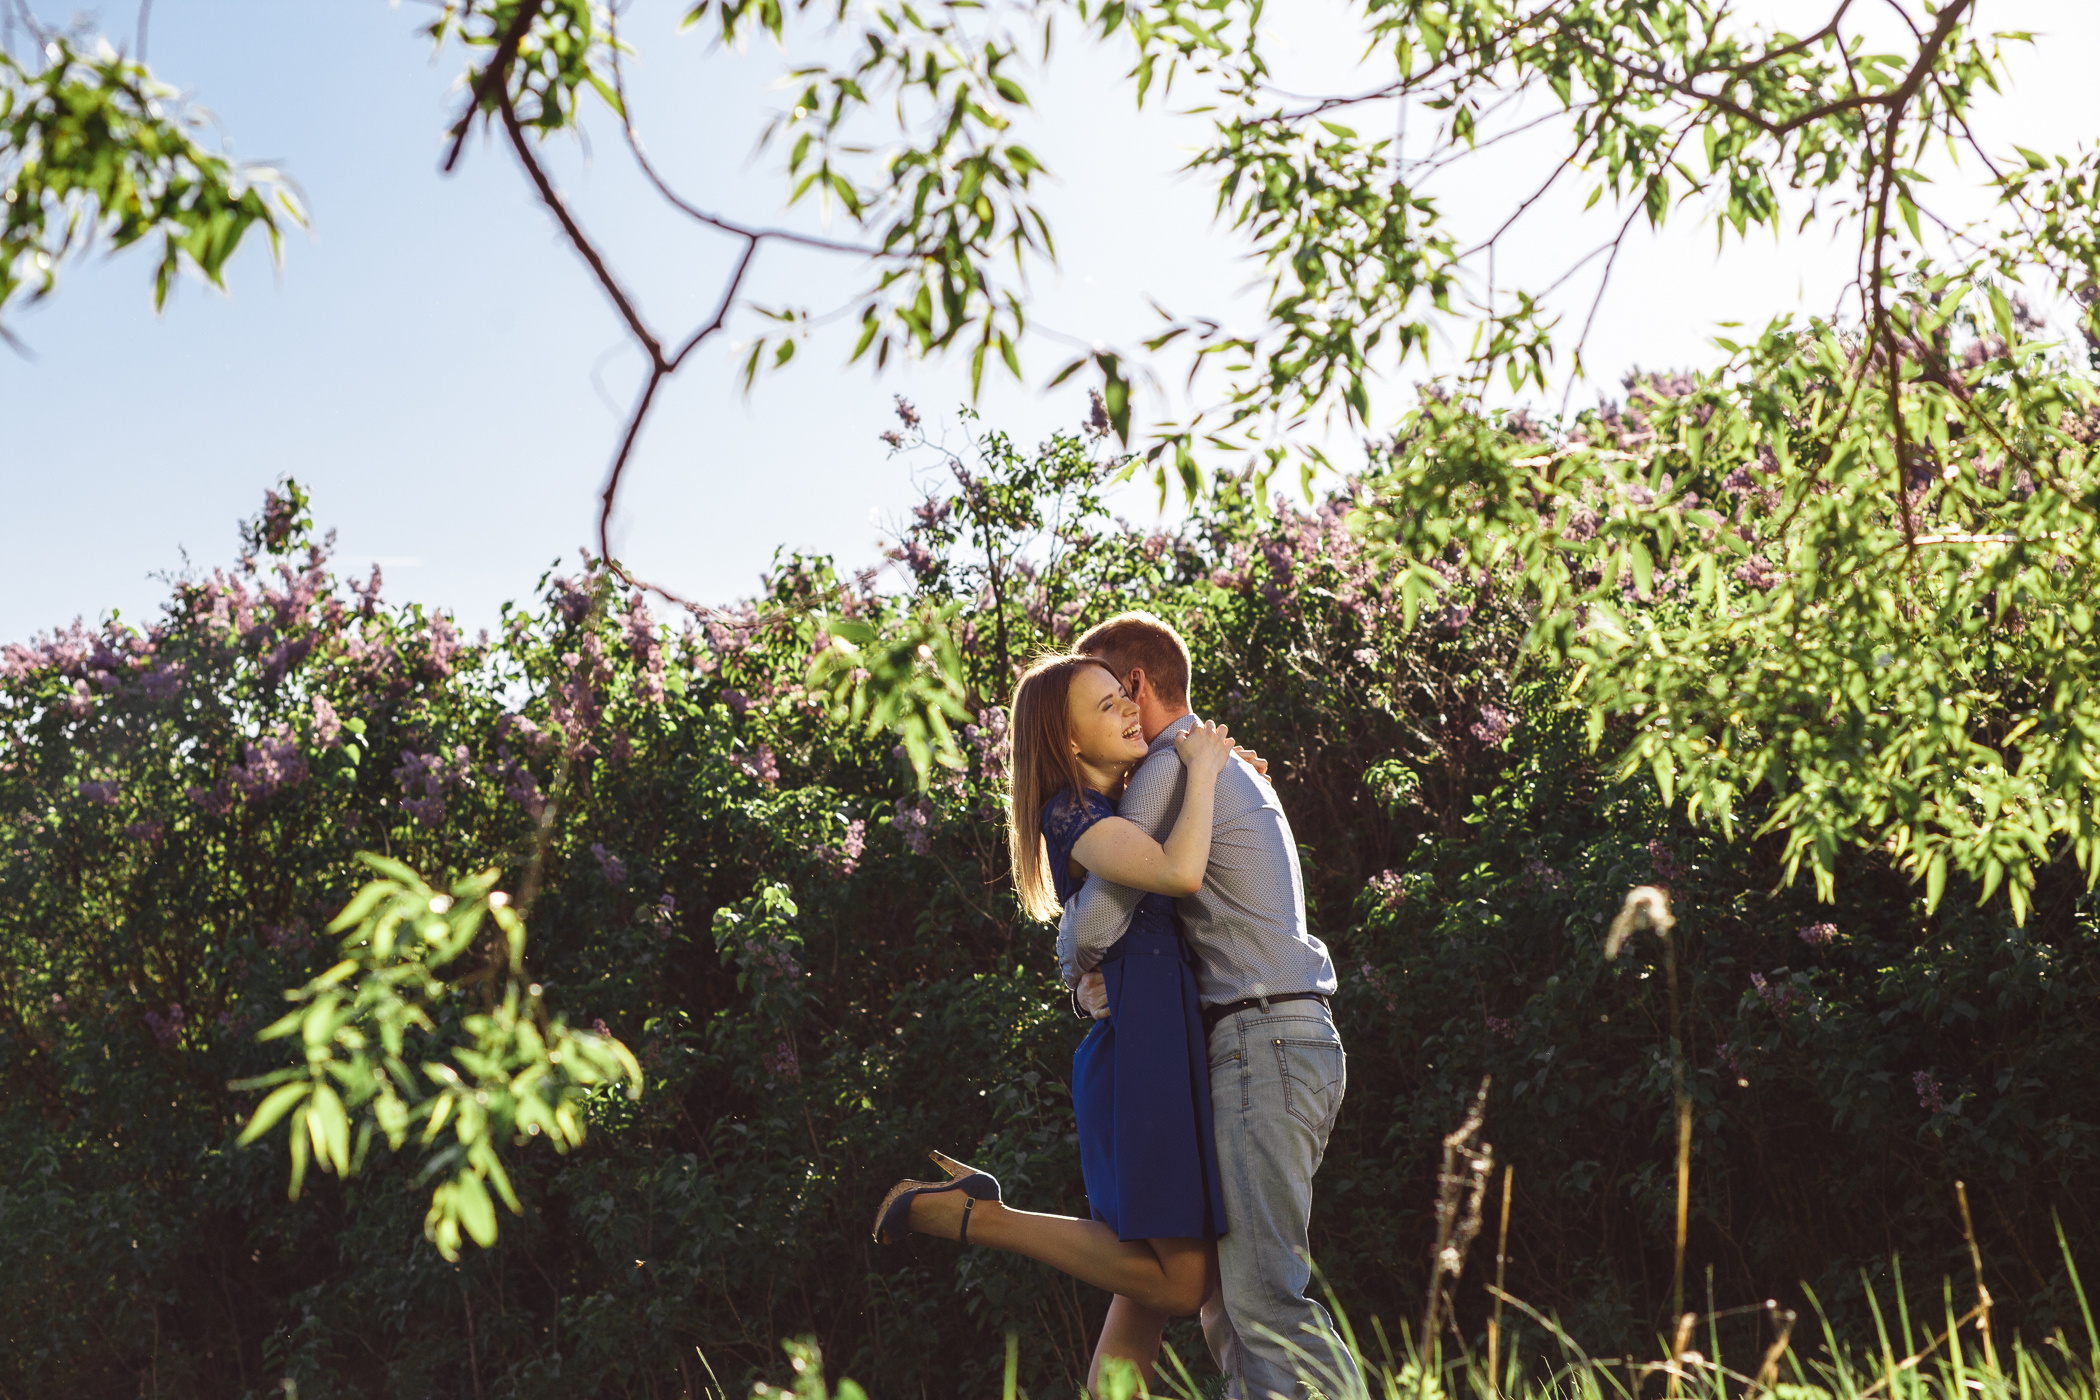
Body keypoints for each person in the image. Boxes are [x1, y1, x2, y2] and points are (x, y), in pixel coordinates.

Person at [871, 652, 1240, 1393]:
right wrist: (1202, 771)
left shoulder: (1121, 802)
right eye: (1107, 705)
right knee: (1179, 1284)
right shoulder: (1071, 815)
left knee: (1142, 1289)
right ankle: (983, 1217)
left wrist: (1225, 773)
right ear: (1067, 741)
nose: (1130, 709)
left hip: (1155, 1040)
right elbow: (1178, 873)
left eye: (1125, 696)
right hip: (1143, 1054)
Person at [1061, 612, 1360, 1400]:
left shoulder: (1170, 768)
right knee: (1232, 1307)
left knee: (1263, 1304)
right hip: (1281, 1039)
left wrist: (1073, 967)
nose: (1109, 715)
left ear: (1136, 685)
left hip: (1264, 1044)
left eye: (1107, 696)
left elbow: (1093, 926)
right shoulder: (1218, 763)